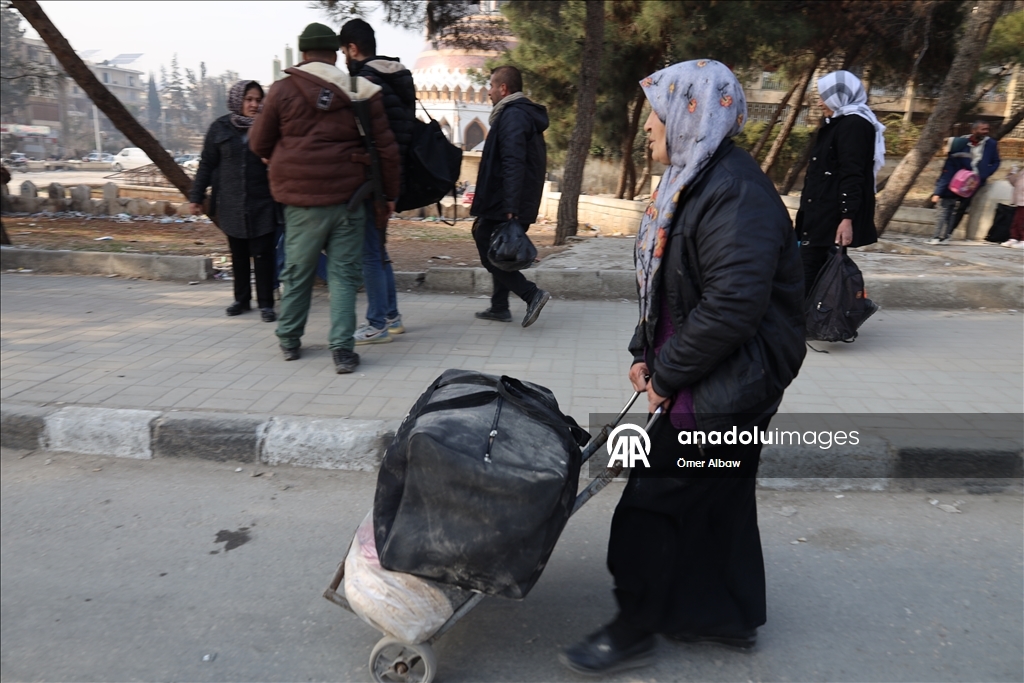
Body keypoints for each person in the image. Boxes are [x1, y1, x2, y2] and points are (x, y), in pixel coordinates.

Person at [559, 60, 805, 676]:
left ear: (692, 118)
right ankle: (724, 616)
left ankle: (633, 628)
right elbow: (672, 287)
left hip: (732, 381)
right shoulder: (695, 180)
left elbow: (731, 306)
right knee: (719, 496)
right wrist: (645, 352)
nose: (648, 129)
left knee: (652, 499)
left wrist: (667, 374)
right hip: (709, 370)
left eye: (657, 116)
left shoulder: (736, 193)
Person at [250, 22, 400, 373]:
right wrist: (390, 195)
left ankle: (290, 339)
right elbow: (387, 149)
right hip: (350, 200)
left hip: (301, 203)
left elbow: (258, 143)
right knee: (344, 275)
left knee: (298, 271)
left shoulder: (282, 90)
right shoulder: (361, 90)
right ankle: (343, 351)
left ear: (303, 54)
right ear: (335, 54)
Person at [339, 18, 415, 345]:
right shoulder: (397, 77)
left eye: (343, 51)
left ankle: (377, 323)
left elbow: (371, 140)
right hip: (392, 178)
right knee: (378, 251)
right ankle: (392, 316)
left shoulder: (363, 84)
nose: (343, 58)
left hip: (371, 182)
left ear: (352, 48)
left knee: (370, 252)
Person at [190, 81, 282, 321]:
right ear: (237, 100)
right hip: (230, 202)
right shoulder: (219, 128)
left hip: (263, 202)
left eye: (258, 100)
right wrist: (196, 196)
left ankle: (266, 304)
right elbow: (207, 164)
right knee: (238, 254)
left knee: (263, 255)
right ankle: (241, 300)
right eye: (248, 99)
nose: (254, 104)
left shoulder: (268, 127)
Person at [470, 66, 551, 328]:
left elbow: (513, 161)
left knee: (487, 247)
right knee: (501, 251)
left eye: (491, 86)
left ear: (503, 88)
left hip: (505, 202)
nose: (489, 92)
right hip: (509, 200)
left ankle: (531, 294)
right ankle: (499, 306)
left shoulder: (513, 115)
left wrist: (511, 207)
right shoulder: (517, 113)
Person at [795, 70, 885, 295]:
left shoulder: (855, 125)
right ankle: (812, 314)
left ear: (840, 95)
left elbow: (852, 173)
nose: (819, 103)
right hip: (820, 213)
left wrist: (847, 218)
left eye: (824, 96)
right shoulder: (839, 123)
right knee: (813, 271)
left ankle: (804, 316)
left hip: (830, 216)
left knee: (810, 270)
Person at [929, 121, 1001, 245]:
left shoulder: (991, 143)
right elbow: (953, 160)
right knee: (948, 207)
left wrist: (986, 173)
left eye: (987, 129)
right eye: (983, 129)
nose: (986, 132)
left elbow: (996, 161)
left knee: (962, 208)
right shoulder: (962, 142)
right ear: (974, 130)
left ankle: (947, 234)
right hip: (958, 179)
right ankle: (940, 235)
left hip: (975, 182)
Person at [1003, 163, 1024, 249]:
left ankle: (1023, 239)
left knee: (1022, 221)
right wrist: (1012, 173)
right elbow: (1015, 184)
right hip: (1019, 200)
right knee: (1016, 221)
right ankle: (1014, 237)